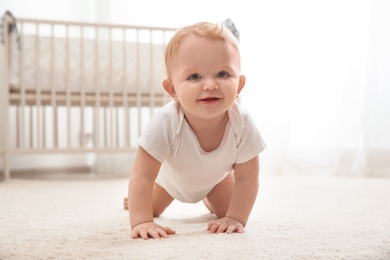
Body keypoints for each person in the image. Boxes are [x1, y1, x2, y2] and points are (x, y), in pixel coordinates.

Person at [125, 20, 266, 240]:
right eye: (194, 77)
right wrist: (142, 221)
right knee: (149, 207)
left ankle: (208, 198)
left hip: (216, 181)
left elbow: (247, 179)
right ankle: (148, 204)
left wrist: (236, 218)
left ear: (239, 85)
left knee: (225, 213)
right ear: (172, 89)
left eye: (222, 74)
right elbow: (141, 176)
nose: (210, 85)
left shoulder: (242, 122)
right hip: (168, 184)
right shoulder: (166, 121)